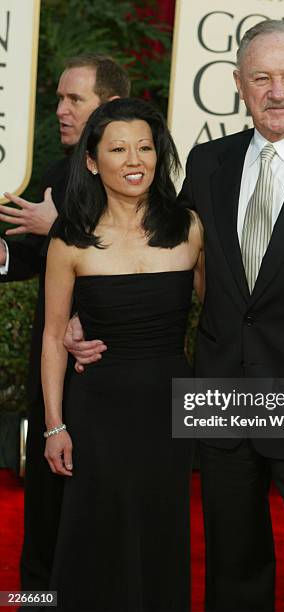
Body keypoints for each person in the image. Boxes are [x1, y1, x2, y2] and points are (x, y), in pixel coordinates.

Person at [66, 21, 284, 611]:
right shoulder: (208, 163)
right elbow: (153, 246)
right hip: (220, 393)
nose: (277, 91)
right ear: (239, 86)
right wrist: (81, 311)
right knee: (231, 564)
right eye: (262, 78)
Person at [42, 97, 203, 611]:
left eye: (145, 148)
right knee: (94, 531)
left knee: (162, 529)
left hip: (168, 408)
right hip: (97, 409)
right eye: (118, 149)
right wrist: (54, 425)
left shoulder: (189, 230)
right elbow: (51, 336)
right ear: (92, 161)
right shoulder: (70, 240)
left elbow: (227, 316)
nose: (134, 160)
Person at [0, 54, 130, 591]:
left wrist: (59, 229)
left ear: (112, 106)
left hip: (107, 374)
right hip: (48, 371)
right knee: (43, 517)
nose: (60, 110)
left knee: (93, 518)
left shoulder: (138, 179)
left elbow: (146, 263)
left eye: (74, 99)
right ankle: (35, 602)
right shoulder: (58, 171)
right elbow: (26, 257)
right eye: (58, 98)